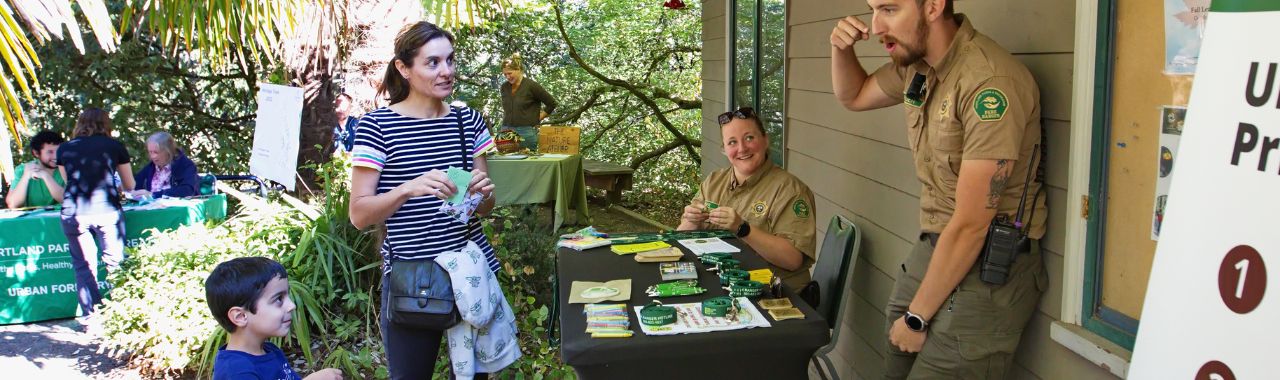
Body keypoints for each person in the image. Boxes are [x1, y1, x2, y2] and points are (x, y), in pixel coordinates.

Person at [829, 1, 1049, 378]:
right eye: (872, 10)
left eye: (889, 9)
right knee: (895, 364)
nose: (876, 25)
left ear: (932, 6)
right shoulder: (919, 67)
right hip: (935, 248)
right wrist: (840, 48)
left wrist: (917, 318)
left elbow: (972, 225)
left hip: (988, 269)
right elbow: (855, 95)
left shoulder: (989, 83)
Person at [349, 21, 507, 380]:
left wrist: (482, 194)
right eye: (432, 63)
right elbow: (359, 214)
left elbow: (483, 207)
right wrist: (408, 187)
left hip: (468, 274)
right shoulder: (377, 127)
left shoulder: (468, 121)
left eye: (450, 61)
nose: (446, 71)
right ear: (404, 69)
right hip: (413, 278)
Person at [677, 107, 817, 293]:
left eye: (749, 138)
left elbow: (792, 259)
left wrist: (743, 229)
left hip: (774, 294)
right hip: (721, 284)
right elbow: (679, 238)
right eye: (732, 142)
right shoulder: (714, 181)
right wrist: (691, 223)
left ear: (765, 140)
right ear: (724, 149)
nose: (742, 148)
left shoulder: (790, 190)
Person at [205, 257, 343, 380]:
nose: (292, 305)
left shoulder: (269, 350)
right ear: (240, 316)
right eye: (278, 299)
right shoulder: (235, 372)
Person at [56, 108, 137, 320]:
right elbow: (129, 185)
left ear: (79, 124)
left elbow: (69, 183)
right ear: (106, 124)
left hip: (74, 212)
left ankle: (92, 318)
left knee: (83, 266)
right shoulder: (114, 146)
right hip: (106, 210)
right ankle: (123, 316)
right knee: (116, 263)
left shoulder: (64, 149)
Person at [499, 53, 557, 151]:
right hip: (506, 131)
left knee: (527, 162)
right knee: (506, 161)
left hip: (526, 131)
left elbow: (551, 104)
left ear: (519, 70)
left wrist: (537, 119)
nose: (507, 77)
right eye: (505, 74)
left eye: (510, 73)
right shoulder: (504, 87)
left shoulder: (532, 86)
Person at [6, 130, 66, 208]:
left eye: (59, 151)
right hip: (31, 220)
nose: (56, 156)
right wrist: (26, 176)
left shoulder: (66, 168)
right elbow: (12, 204)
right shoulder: (22, 170)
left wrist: (45, 176)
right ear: (36, 153)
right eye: (50, 152)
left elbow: (69, 200)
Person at [132, 131, 200, 199]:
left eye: (156, 152)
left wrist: (153, 195)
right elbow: (134, 186)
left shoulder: (185, 165)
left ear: (168, 151)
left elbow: (188, 190)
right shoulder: (150, 168)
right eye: (150, 152)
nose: (153, 156)